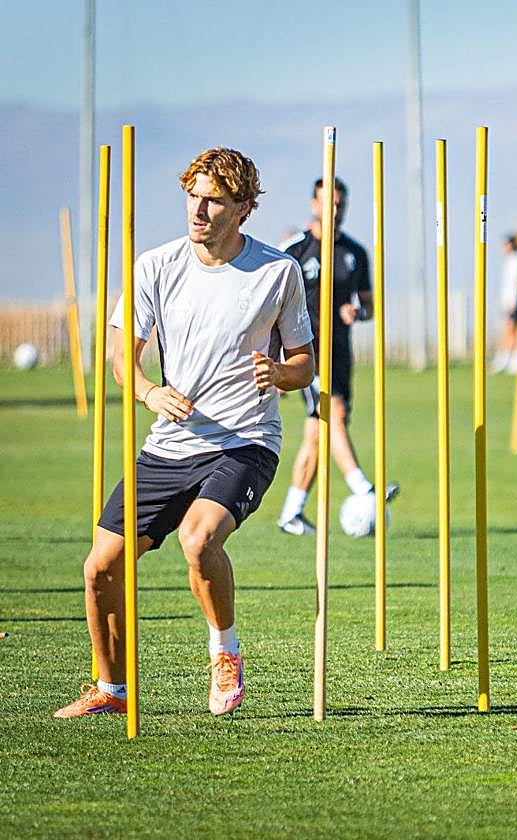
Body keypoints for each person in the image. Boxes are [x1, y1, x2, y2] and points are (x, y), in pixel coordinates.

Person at [55, 147, 315, 719]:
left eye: (214, 201)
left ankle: (225, 653)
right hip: (170, 443)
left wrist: (280, 374)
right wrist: (150, 392)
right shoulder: (155, 266)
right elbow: (122, 358)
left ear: (243, 208)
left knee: (199, 540)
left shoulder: (278, 272)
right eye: (193, 197)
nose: (199, 210)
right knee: (101, 567)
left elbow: (304, 364)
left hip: (244, 442)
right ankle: (111, 689)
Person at [276, 177, 397, 536]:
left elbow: (369, 305)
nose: (335, 209)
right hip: (306, 354)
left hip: (341, 353)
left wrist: (357, 312)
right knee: (334, 413)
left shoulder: (355, 253)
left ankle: (291, 513)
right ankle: (365, 488)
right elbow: (272, 307)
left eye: (340, 203)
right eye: (328, 202)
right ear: (314, 204)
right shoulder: (295, 250)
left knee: (318, 432)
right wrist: (279, 363)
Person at [491, 233, 517, 374]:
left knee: (512, 330)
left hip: (514, 302)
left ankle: (514, 359)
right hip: (508, 302)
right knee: (509, 330)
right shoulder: (510, 260)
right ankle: (508, 359)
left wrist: (514, 302)